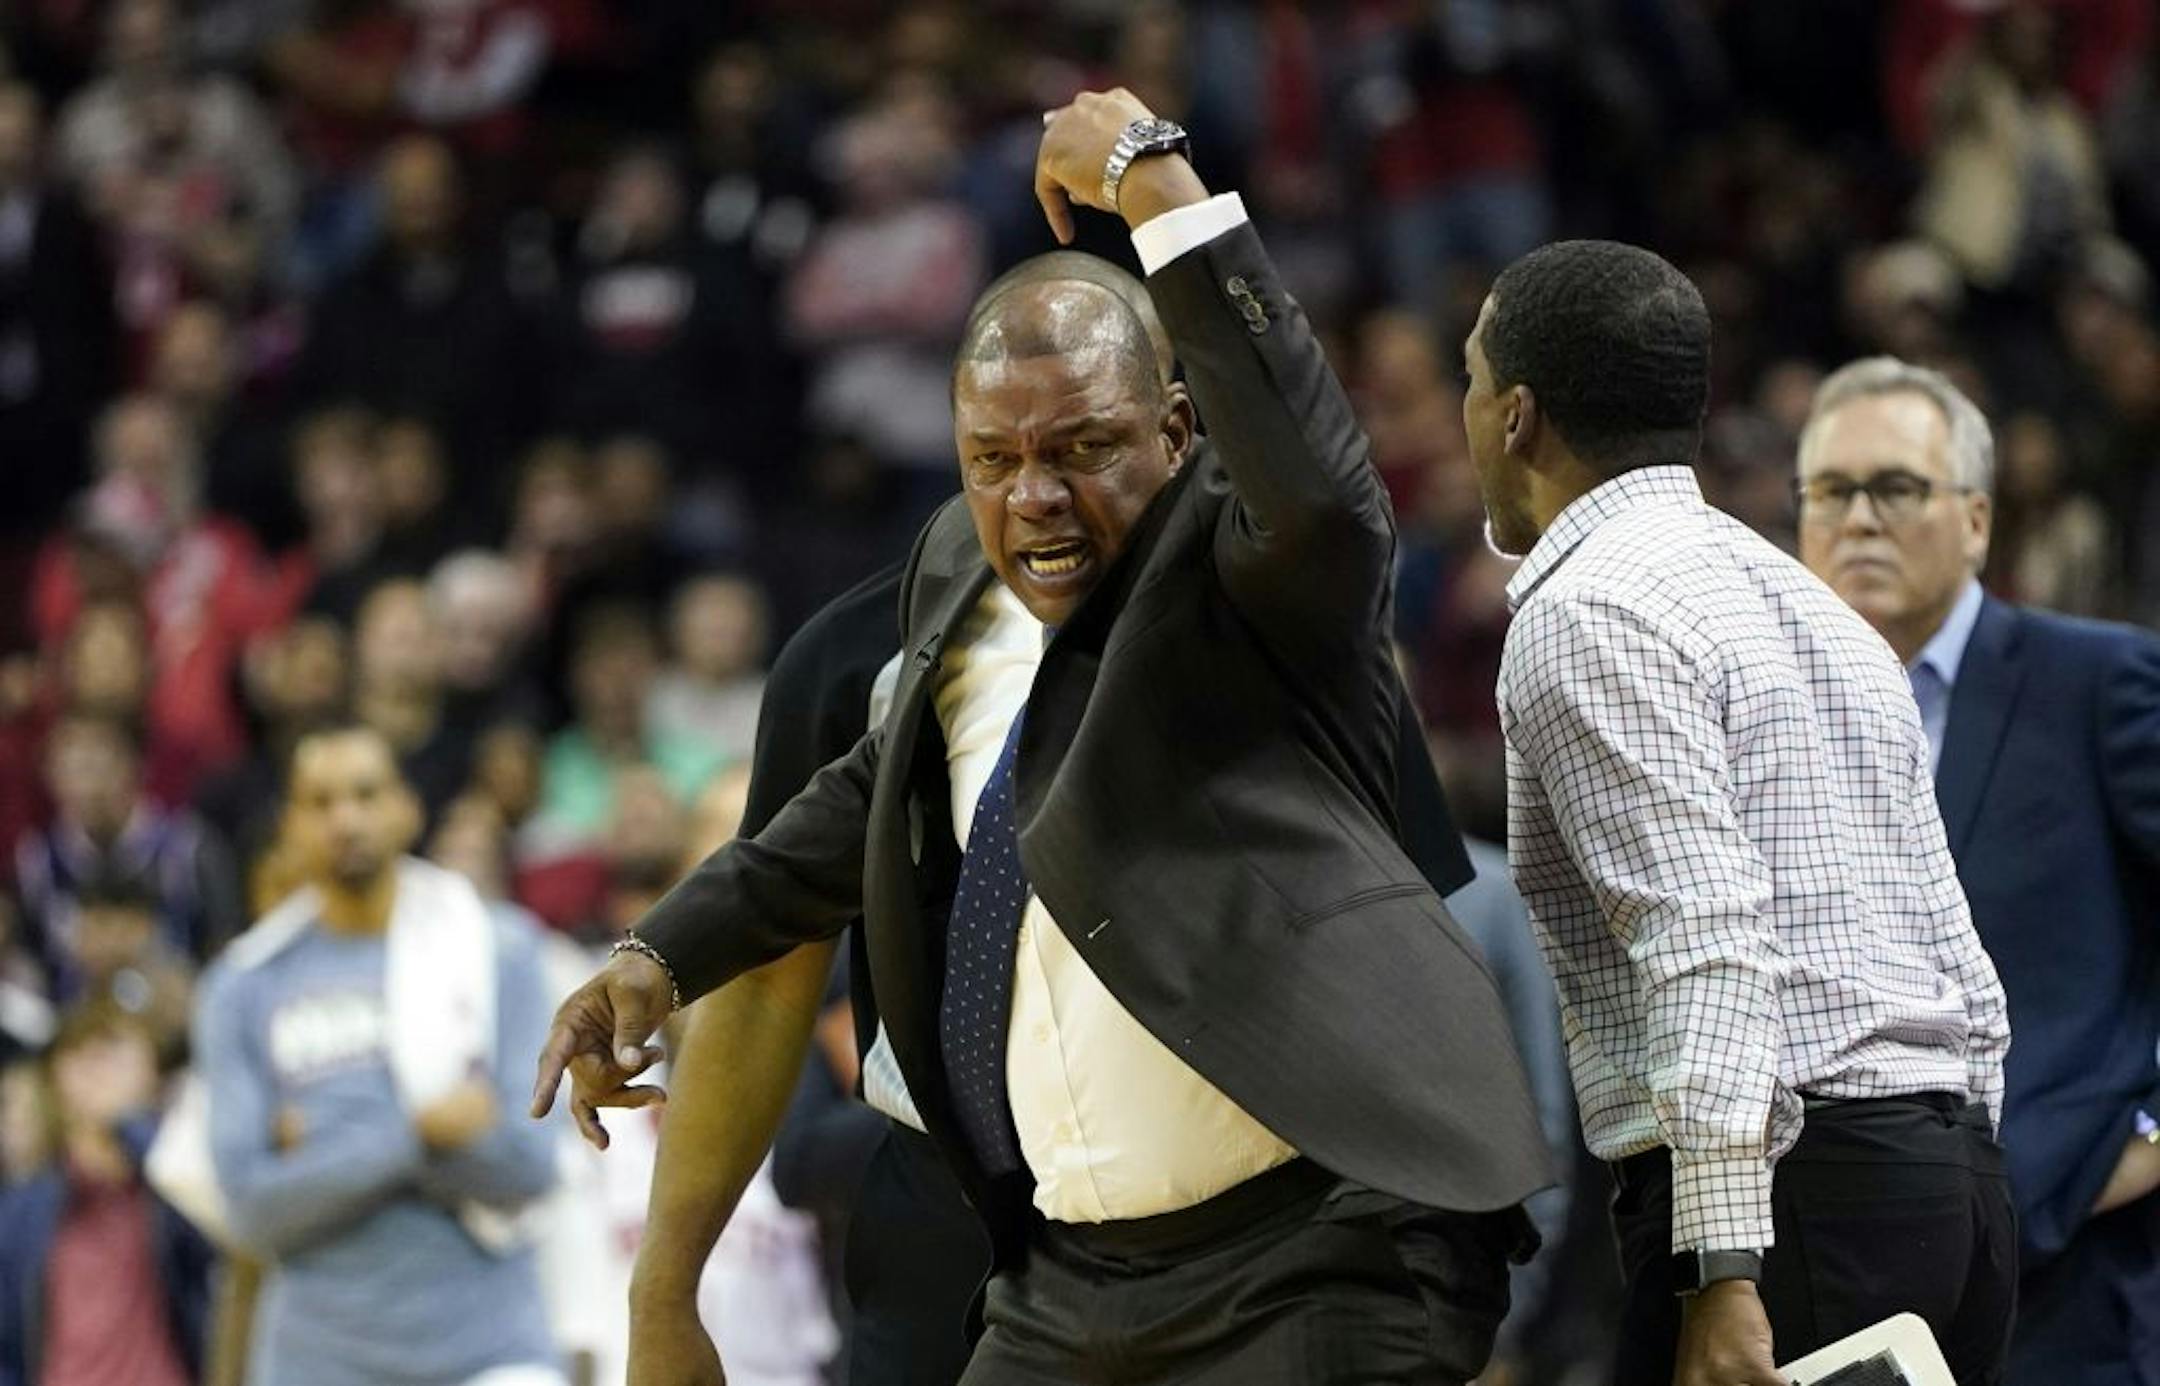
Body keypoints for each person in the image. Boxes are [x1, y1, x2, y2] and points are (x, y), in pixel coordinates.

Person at [537, 87, 1549, 1385]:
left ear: (1176, 433)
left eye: (1083, 447)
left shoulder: (1260, 575)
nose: (1036, 496)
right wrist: (656, 956)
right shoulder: (960, 577)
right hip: (1063, 1278)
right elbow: (859, 807)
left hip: (1314, 1256)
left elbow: (1324, 493)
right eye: (994, 457)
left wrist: (1155, 183)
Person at [1464, 240, 2016, 1386]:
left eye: (1471, 381)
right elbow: (1959, 957)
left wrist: (1723, 1266)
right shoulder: (1810, 606)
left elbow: (1708, 949)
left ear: (1515, 416)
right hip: (1950, 1191)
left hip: (1783, 1217)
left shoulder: (1584, 614)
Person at [1796, 356, 2160, 1386]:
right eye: (1830, 491)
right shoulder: (1773, 725)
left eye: (1898, 487)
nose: (1859, 519)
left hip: (2079, 1290)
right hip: (1846, 1295)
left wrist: (2144, 1136)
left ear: (1976, 519)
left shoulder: (2097, 680)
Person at [194, 723, 562, 1386]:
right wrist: (417, 1133)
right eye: (322, 801)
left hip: (488, 1347)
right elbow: (250, 1210)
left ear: (407, 809)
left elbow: (528, 1163)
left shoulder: (497, 950)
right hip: (318, 1359)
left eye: (366, 794)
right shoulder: (243, 986)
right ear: (292, 825)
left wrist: (327, 1138)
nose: (347, 819)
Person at [0, 1002, 215, 1386]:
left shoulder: (177, 1191)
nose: (97, 1068)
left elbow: (214, 1246)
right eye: (79, 1054)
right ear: (53, 1080)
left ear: (153, 1072)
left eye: (113, 1050)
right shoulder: (23, 1211)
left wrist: (130, 1128)